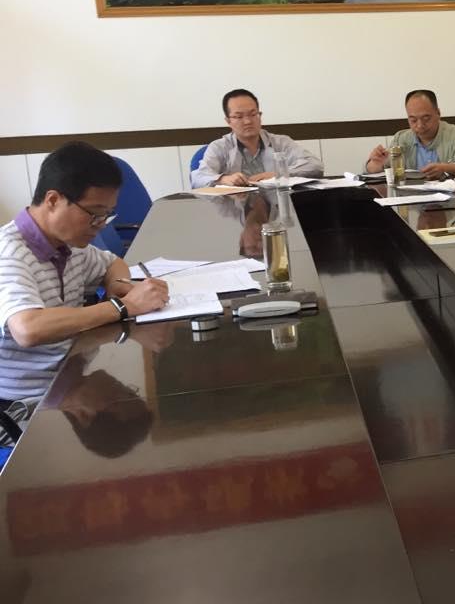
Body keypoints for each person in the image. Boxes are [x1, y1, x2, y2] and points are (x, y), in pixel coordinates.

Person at [0, 144, 170, 428]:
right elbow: (28, 329)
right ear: (53, 200)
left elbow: (112, 263)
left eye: (107, 215)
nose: (101, 225)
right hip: (27, 408)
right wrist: (122, 306)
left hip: (71, 374)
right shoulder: (9, 254)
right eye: (95, 214)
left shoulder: (66, 244)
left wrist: (118, 286)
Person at [192, 88, 324, 188]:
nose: (248, 121)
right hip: (236, 208)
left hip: (276, 207)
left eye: (253, 114)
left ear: (259, 115)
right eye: (239, 116)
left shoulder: (281, 142)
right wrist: (223, 179)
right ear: (228, 121)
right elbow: (198, 178)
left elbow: (315, 166)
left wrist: (277, 174)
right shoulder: (219, 147)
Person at [365, 89, 455, 179]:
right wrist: (376, 163)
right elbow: (378, 168)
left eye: (426, 118)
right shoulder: (401, 138)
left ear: (438, 113)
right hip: (411, 197)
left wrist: (445, 168)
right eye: (413, 120)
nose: (420, 125)